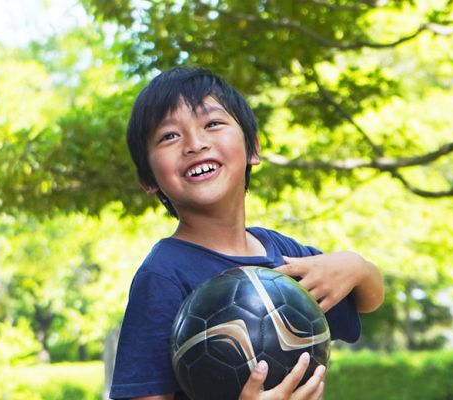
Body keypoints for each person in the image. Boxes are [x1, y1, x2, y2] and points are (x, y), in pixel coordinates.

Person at [109, 67, 384, 400]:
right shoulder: (163, 275)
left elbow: (369, 300)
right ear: (149, 179)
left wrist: (357, 266)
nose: (195, 144)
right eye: (169, 136)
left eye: (212, 124)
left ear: (253, 148)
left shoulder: (285, 254)